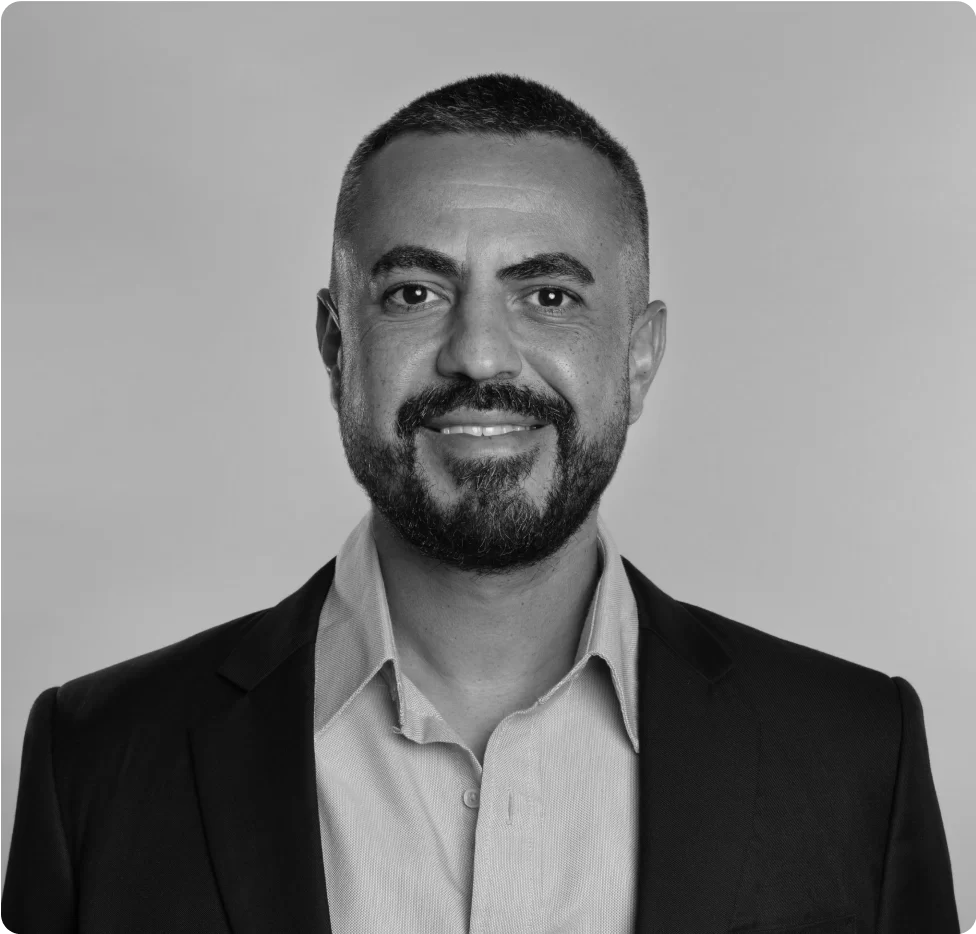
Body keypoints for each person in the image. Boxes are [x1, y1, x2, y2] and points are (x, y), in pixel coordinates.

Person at [1, 74, 959, 934]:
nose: (480, 354)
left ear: (639, 358)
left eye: (549, 296)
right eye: (415, 292)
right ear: (336, 346)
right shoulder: (96, 760)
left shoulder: (854, 754)